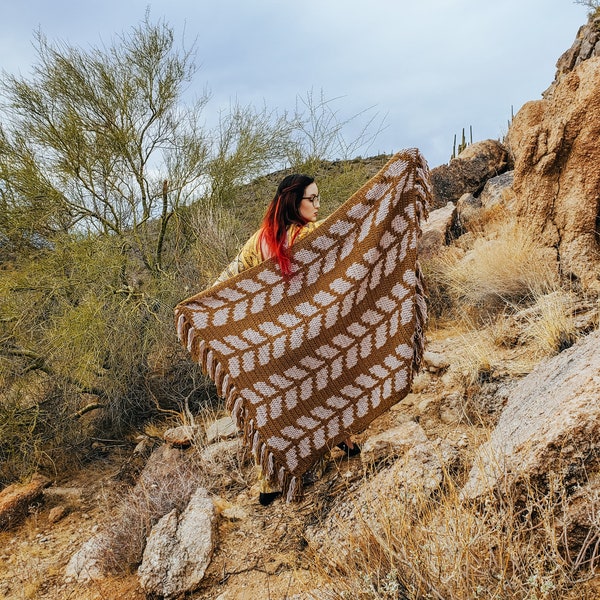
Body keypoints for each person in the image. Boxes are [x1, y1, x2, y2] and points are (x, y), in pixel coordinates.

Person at [212, 173, 360, 506]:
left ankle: (269, 483)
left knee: (271, 412)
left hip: (270, 344)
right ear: (294, 200)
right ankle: (335, 444)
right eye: (313, 199)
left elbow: (226, 282)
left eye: (319, 198)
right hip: (305, 338)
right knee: (330, 378)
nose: (318, 206)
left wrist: (201, 305)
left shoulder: (257, 241)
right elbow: (351, 245)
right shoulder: (311, 236)